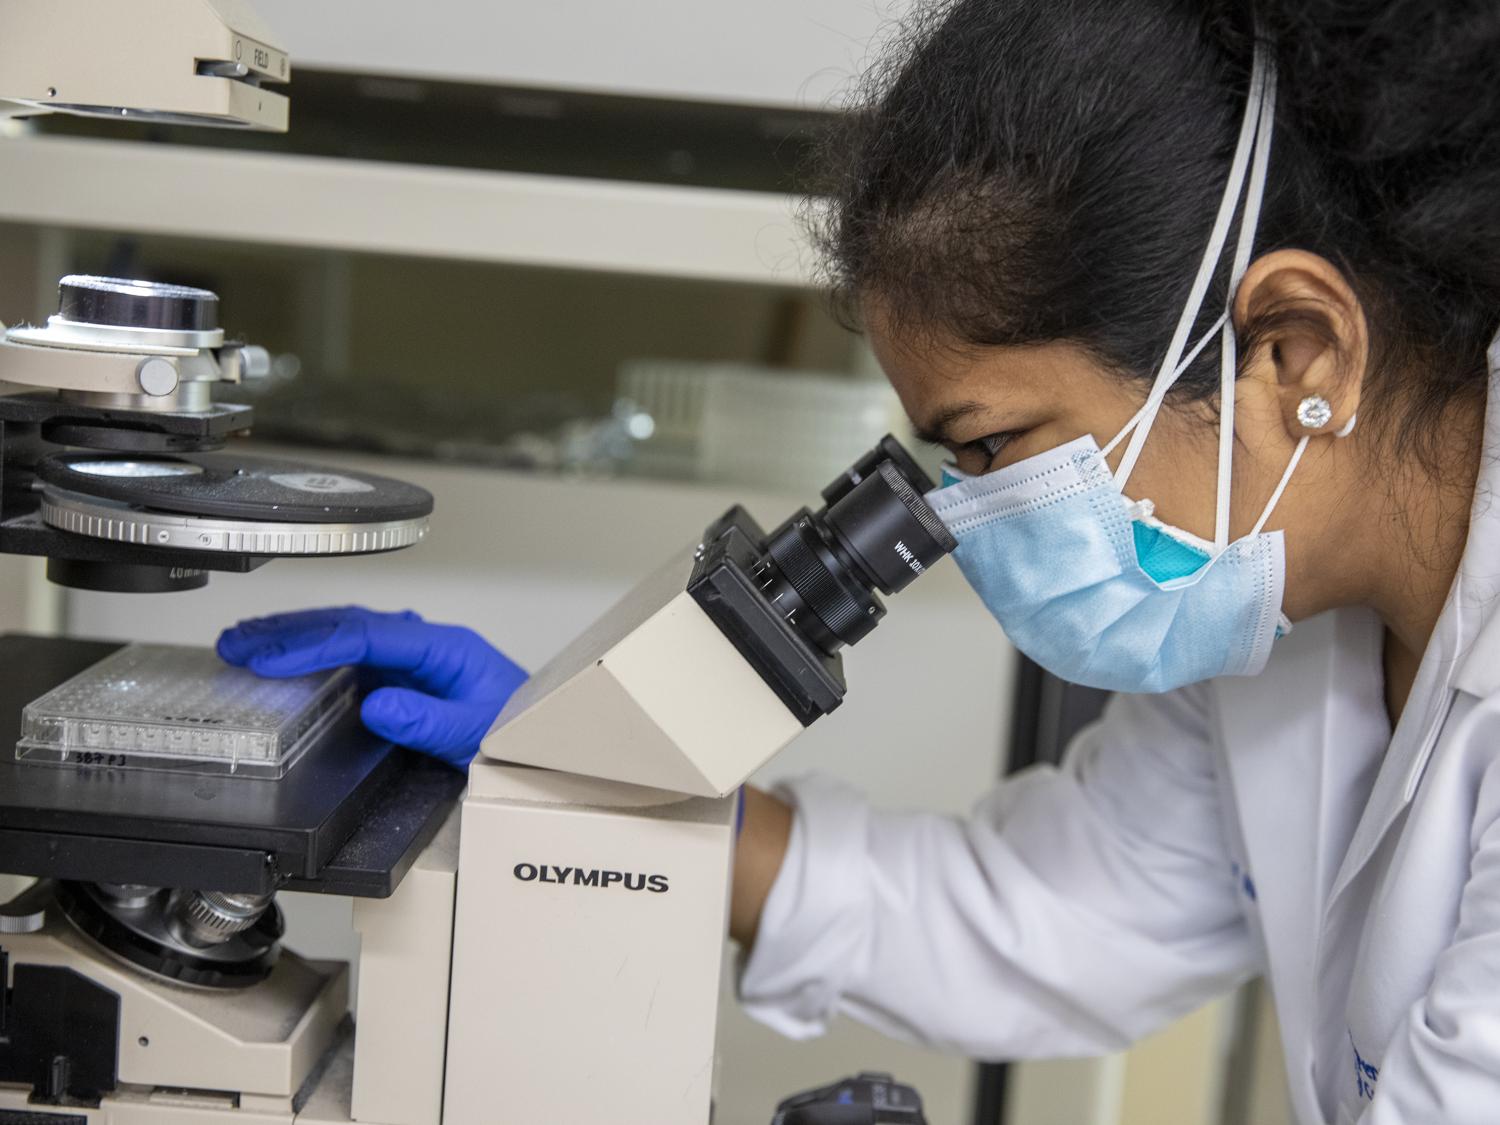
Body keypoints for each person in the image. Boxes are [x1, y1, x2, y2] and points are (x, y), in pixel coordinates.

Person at [217, 0, 1500, 1120]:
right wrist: (600, 783)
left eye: (993, 445)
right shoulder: (1281, 620)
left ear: (1291, 354)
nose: (967, 514)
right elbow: (1050, 921)